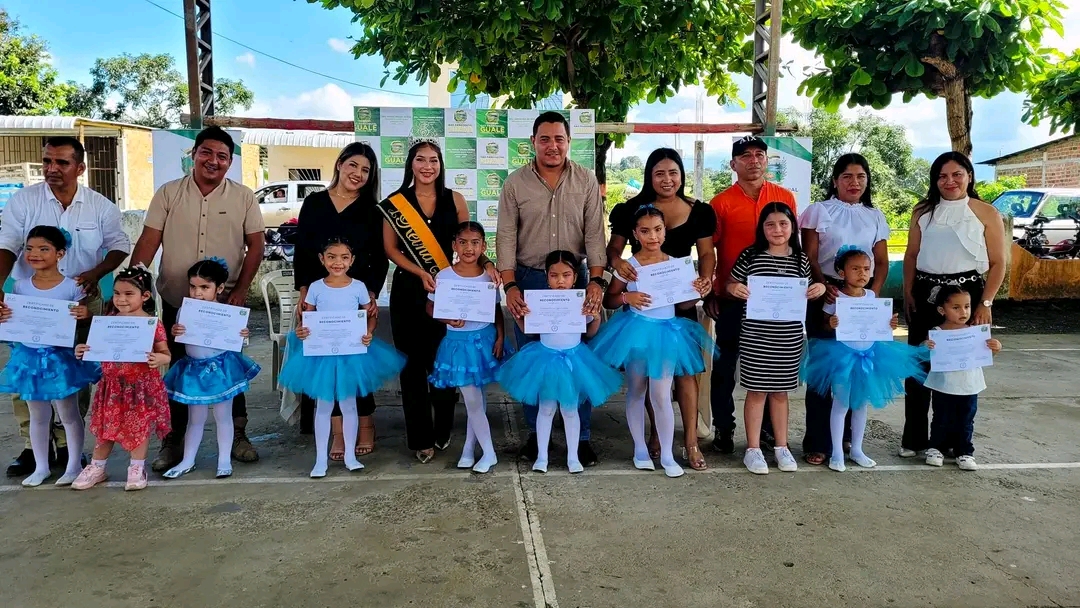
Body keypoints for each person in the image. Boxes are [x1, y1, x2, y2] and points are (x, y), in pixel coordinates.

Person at [130, 127, 266, 472]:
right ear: (193, 154)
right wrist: (134, 285)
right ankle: (173, 438)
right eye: (206, 152)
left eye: (222, 156)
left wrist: (240, 291)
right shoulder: (169, 193)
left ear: (230, 162)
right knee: (179, 367)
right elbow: (149, 241)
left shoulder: (244, 197)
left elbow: (256, 246)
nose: (213, 161)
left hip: (225, 305)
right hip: (178, 300)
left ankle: (238, 434)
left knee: (228, 368)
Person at [0, 136, 130, 478]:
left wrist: (96, 273)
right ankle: (34, 448)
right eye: (47, 161)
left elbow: (119, 245)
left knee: (75, 372)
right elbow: (7, 244)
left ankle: (70, 446)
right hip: (31, 303)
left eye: (62, 162)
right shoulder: (24, 201)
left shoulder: (100, 206)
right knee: (29, 370)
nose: (52, 169)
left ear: (80, 168)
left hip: (80, 299)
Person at [379, 140, 499, 464]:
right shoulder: (396, 203)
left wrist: (488, 263)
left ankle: (442, 429)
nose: (427, 166)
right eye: (421, 160)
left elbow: (468, 240)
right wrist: (420, 272)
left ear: (440, 164)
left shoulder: (454, 199)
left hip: (450, 288)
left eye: (433, 160)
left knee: (443, 359)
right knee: (412, 365)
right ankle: (421, 438)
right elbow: (390, 249)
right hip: (409, 288)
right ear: (411, 164)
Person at [498, 111, 607, 466]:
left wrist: (595, 281)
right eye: (544, 139)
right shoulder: (515, 183)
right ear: (533, 142)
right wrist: (510, 286)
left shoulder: (586, 180)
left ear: (568, 141)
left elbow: (595, 234)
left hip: (576, 282)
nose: (552, 146)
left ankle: (583, 438)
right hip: (530, 280)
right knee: (534, 360)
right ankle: (536, 436)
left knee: (579, 358)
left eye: (559, 139)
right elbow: (506, 236)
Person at [605, 148, 716, 471]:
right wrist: (620, 273)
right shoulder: (631, 217)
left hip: (675, 310)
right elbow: (614, 262)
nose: (667, 179)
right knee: (640, 387)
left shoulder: (697, 212)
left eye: (673, 172)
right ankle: (647, 444)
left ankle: (685, 443)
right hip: (638, 322)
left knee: (679, 380)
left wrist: (702, 285)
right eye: (659, 173)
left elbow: (706, 255)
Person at [900, 152, 1005, 458]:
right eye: (942, 176)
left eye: (957, 174)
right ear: (935, 180)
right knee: (919, 365)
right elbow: (911, 254)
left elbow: (998, 263)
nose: (950, 181)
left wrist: (986, 302)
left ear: (969, 176)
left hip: (967, 295)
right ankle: (915, 439)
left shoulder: (986, 212)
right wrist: (908, 291)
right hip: (926, 290)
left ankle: (954, 442)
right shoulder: (923, 210)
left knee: (960, 370)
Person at [278, 237, 405, 478]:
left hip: (351, 354)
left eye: (344, 257)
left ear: (352, 260)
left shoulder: (358, 287)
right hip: (323, 356)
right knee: (324, 406)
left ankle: (350, 456)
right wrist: (302, 330)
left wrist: (369, 332)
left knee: (349, 405)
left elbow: (370, 314)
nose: (338, 262)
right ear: (322, 259)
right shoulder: (316, 287)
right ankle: (320, 460)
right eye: (332, 257)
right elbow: (307, 317)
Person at [293, 142, 388, 460]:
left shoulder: (372, 210)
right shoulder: (315, 203)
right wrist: (304, 291)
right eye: (353, 165)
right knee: (327, 370)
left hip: (354, 301)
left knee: (356, 367)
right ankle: (337, 434)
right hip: (320, 301)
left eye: (366, 170)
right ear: (340, 164)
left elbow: (380, 258)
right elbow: (303, 251)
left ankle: (366, 426)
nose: (358, 173)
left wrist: (371, 293)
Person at [705, 136, 797, 454]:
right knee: (725, 366)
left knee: (771, 368)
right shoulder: (720, 203)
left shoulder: (784, 197)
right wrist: (713, 290)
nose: (753, 160)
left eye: (759, 154)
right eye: (745, 156)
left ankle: (768, 431)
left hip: (776, 305)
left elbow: (794, 244)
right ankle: (724, 427)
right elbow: (709, 251)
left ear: (767, 160)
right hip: (733, 298)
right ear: (734, 164)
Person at [799, 153, 892, 465]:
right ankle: (818, 442)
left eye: (861, 176)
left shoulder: (875, 215)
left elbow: (881, 261)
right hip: (825, 293)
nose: (855, 182)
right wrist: (824, 285)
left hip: (861, 298)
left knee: (856, 369)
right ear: (835, 180)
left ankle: (850, 439)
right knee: (824, 373)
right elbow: (809, 256)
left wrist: (871, 295)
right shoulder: (819, 210)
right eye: (847, 176)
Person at [804, 247, 928, 472]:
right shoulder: (836, 297)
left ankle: (857, 449)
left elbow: (878, 325)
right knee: (841, 403)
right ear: (842, 273)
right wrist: (830, 323)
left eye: (866, 269)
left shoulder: (871, 296)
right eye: (855, 269)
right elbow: (824, 324)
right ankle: (837, 452)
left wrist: (889, 324)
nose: (862, 273)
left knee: (861, 404)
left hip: (869, 355)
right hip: (842, 358)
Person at [497, 251, 622, 474]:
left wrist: (595, 317)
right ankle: (542, 457)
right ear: (547, 277)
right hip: (545, 359)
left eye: (566, 275)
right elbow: (529, 331)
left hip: (574, 361)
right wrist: (519, 317)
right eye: (554, 275)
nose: (560, 281)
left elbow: (590, 333)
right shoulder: (538, 302)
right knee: (545, 408)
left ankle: (573, 457)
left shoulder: (580, 300)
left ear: (575, 277)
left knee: (570, 409)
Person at [725, 203, 824, 475]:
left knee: (781, 393)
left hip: (788, 336)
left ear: (793, 227)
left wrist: (819, 287)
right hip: (756, 335)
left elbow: (811, 287)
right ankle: (753, 449)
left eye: (783, 224)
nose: (777, 230)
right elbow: (730, 283)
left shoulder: (801, 259)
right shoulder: (751, 255)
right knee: (756, 392)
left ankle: (781, 447)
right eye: (770, 224)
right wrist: (735, 288)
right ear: (762, 228)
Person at [0, 226, 100, 486]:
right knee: (37, 414)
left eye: (44, 249)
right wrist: (6, 317)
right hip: (29, 358)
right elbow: (13, 318)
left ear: (60, 253)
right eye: (29, 249)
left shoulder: (73, 287)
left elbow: (83, 319)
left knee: (68, 413)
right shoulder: (19, 286)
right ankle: (41, 467)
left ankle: (73, 465)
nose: (35, 254)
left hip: (61, 359)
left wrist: (85, 315)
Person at [72, 266, 172, 491]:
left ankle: (137, 467)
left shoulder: (152, 323)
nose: (121, 299)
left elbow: (166, 353)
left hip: (140, 387)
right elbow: (95, 347)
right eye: (117, 293)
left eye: (128, 294)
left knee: (139, 427)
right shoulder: (108, 321)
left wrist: (159, 358)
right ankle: (97, 467)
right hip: (112, 386)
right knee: (106, 427)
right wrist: (82, 350)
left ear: (145, 296)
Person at [161, 259, 260, 480]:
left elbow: (237, 341)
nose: (197, 293)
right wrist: (176, 331)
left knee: (223, 416)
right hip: (194, 370)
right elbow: (182, 338)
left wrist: (242, 335)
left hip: (221, 370)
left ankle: (224, 460)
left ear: (220, 288)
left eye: (205, 287)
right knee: (195, 418)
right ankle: (188, 460)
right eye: (193, 286)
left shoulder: (229, 313)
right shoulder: (184, 311)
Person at [426, 222, 506, 473]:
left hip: (484, 340)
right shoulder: (444, 276)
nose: (468, 248)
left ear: (483, 246)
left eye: (475, 243)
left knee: (477, 398)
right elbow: (430, 306)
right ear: (454, 245)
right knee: (472, 399)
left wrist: (500, 337)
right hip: (458, 344)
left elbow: (495, 309)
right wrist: (446, 319)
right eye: (463, 242)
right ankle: (489, 453)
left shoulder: (488, 276)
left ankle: (470, 449)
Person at [921, 286, 1003, 471]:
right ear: (942, 310)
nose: (963, 312)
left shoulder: (975, 332)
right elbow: (925, 355)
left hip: (969, 384)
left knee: (966, 420)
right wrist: (926, 346)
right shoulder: (937, 332)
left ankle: (964, 451)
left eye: (967, 306)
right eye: (956, 308)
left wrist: (995, 347)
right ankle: (936, 448)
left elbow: (984, 355)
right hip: (944, 385)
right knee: (941, 418)